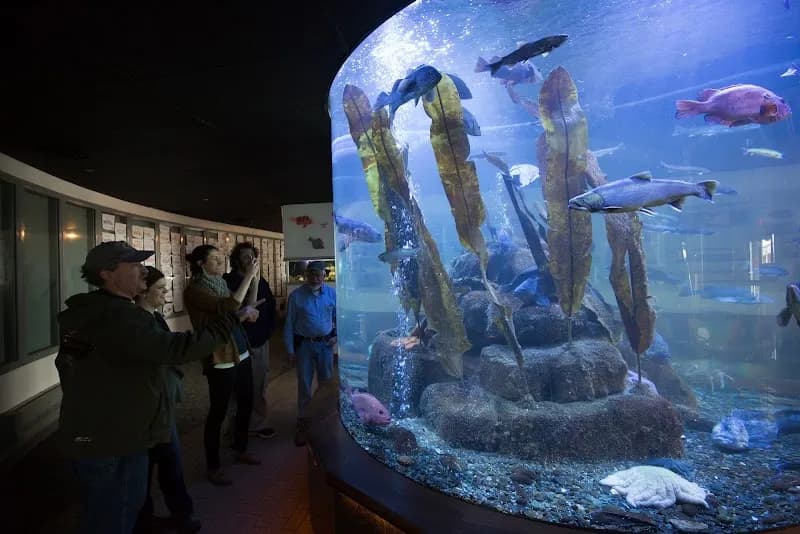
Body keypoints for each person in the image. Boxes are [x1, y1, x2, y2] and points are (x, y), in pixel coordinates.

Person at [55, 241, 236, 534]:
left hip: (94, 433)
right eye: (134, 265)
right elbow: (176, 349)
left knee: (102, 512)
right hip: (115, 439)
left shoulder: (88, 314)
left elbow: (71, 369)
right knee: (116, 515)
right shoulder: (118, 317)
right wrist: (230, 321)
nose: (143, 270)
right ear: (106, 273)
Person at [184, 244, 262, 487]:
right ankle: (213, 464)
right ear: (200, 264)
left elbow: (239, 305)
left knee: (247, 401)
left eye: (221, 258)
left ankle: (240, 448)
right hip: (219, 356)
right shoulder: (194, 290)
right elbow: (228, 307)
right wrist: (247, 277)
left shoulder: (220, 284)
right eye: (215, 259)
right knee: (218, 411)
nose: (220, 262)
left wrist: (255, 280)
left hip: (240, 349)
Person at [133, 267, 200, 534]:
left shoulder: (155, 318)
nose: (166, 293)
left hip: (162, 405)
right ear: (142, 290)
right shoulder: (138, 323)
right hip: (149, 410)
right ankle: (156, 519)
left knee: (168, 464)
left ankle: (171, 516)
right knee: (156, 466)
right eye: (160, 289)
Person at [223, 242, 277, 439]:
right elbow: (234, 310)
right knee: (236, 388)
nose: (250, 260)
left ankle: (259, 422)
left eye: (252, 256)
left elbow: (268, 307)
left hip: (260, 340)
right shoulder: (228, 281)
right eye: (245, 256)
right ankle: (234, 427)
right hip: (237, 343)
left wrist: (267, 332)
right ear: (236, 259)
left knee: (260, 383)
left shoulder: (261, 281)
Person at [284, 260, 337, 447]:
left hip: (325, 346)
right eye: (311, 274)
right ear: (306, 275)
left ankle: (325, 422)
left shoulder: (331, 293)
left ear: (324, 275)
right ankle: (303, 424)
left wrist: (336, 336)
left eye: (318, 274)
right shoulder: (296, 296)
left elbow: (339, 318)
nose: (315, 278)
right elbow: (289, 324)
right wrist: (290, 349)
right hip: (304, 346)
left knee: (326, 384)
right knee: (305, 385)